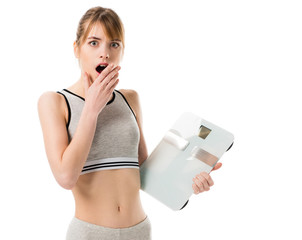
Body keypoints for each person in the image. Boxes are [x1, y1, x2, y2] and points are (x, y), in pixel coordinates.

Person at [37, 6, 222, 240]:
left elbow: (145, 173)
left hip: (139, 231)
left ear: (122, 51)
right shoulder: (54, 102)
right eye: (94, 42)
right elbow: (65, 178)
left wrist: (193, 175)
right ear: (77, 48)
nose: (104, 53)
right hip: (90, 234)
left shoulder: (130, 98)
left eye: (114, 44)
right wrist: (92, 109)